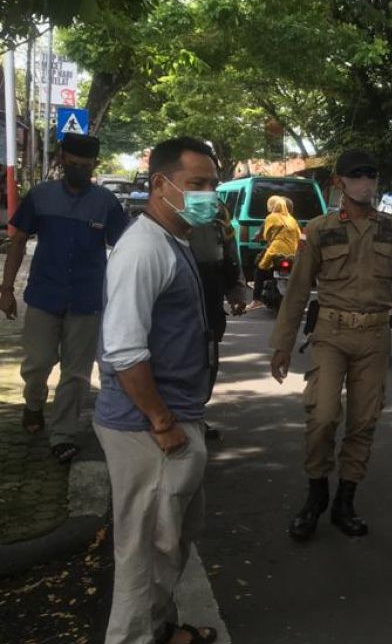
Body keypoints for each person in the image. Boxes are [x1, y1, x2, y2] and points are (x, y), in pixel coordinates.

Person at [93, 137, 222, 644]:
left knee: (172, 542)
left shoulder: (174, 241)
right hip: (148, 428)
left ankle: (161, 629)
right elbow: (124, 351)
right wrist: (163, 423)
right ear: (160, 186)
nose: (208, 194)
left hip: (173, 419)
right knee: (144, 552)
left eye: (211, 184)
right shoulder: (143, 248)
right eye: (197, 184)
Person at [269, 150, 392, 541]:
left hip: (375, 336)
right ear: (339, 183)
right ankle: (316, 497)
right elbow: (296, 292)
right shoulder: (321, 229)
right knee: (323, 416)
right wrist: (282, 344)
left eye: (372, 176)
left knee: (363, 421)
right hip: (330, 332)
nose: (367, 183)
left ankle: (346, 500)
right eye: (357, 176)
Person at [0, 133, 128, 464]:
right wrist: (6, 289)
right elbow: (18, 242)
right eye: (73, 164)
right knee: (39, 361)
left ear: (94, 166)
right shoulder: (40, 197)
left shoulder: (106, 203)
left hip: (88, 301)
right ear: (61, 159)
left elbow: (126, 249)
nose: (79, 171)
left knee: (77, 372)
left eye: (85, 166)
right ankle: (33, 403)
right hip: (44, 295)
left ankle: (63, 434)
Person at [191, 201, 250, 440]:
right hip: (178, 285)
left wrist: (237, 293)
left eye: (211, 182)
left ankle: (195, 416)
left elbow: (230, 252)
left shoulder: (218, 209)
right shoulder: (171, 204)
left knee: (208, 358)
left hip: (211, 288)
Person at [249, 195, 300, 310]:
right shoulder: (292, 220)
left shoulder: (271, 218)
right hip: (292, 253)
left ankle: (256, 300)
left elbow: (266, 235)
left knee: (260, 269)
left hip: (276, 250)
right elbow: (298, 236)